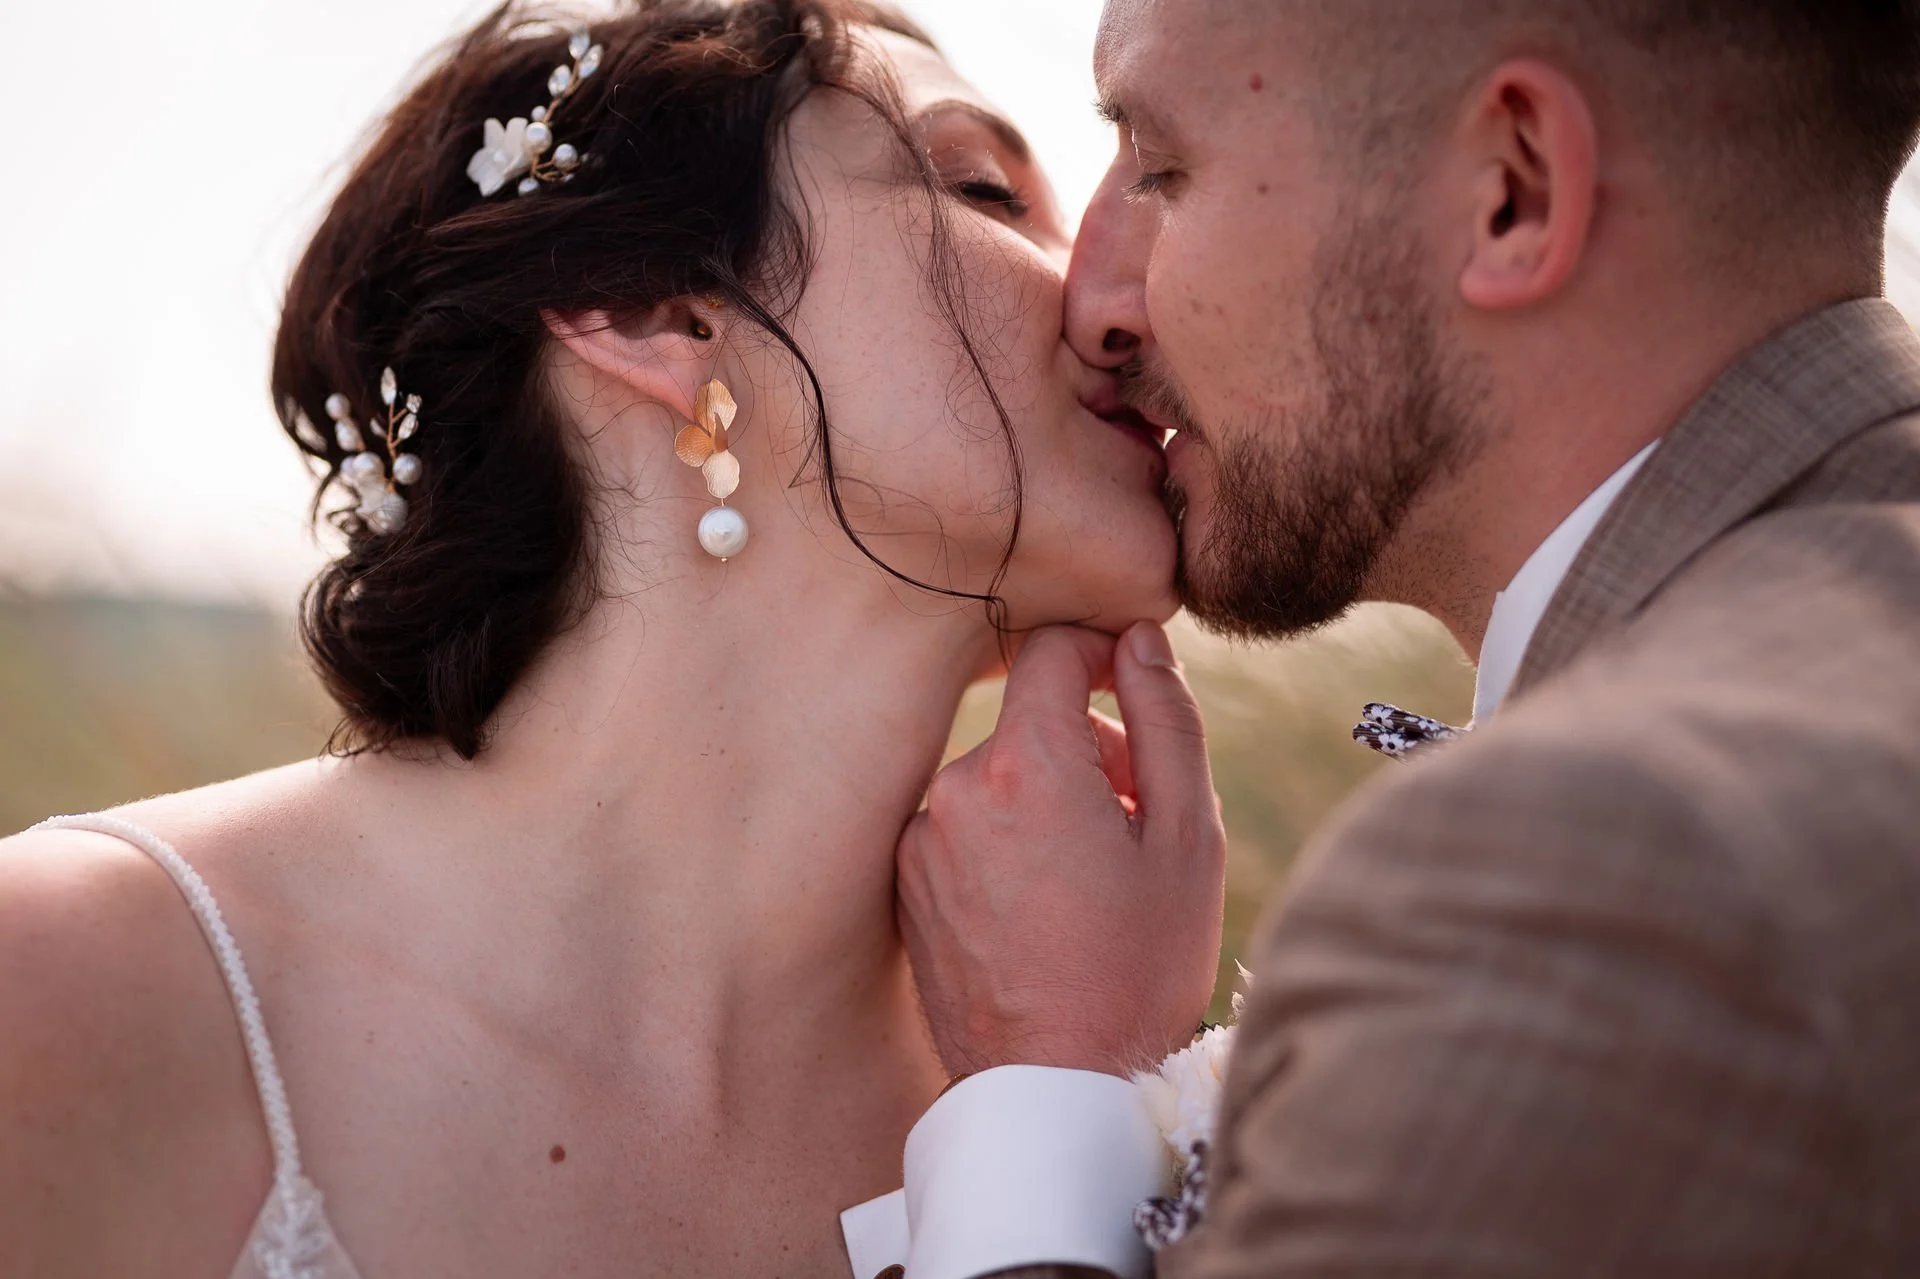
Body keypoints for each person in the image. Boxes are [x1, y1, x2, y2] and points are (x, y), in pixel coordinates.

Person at [0, 2, 1185, 1276]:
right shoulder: (80, 982)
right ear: (653, 314)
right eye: (986, 191)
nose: (1124, 294)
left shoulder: (1095, 1065)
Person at [884, 1, 1920, 1277]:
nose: (1095, 301)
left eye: (1162, 167)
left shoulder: (1616, 863)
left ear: (1513, 192)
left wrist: (1046, 1080)